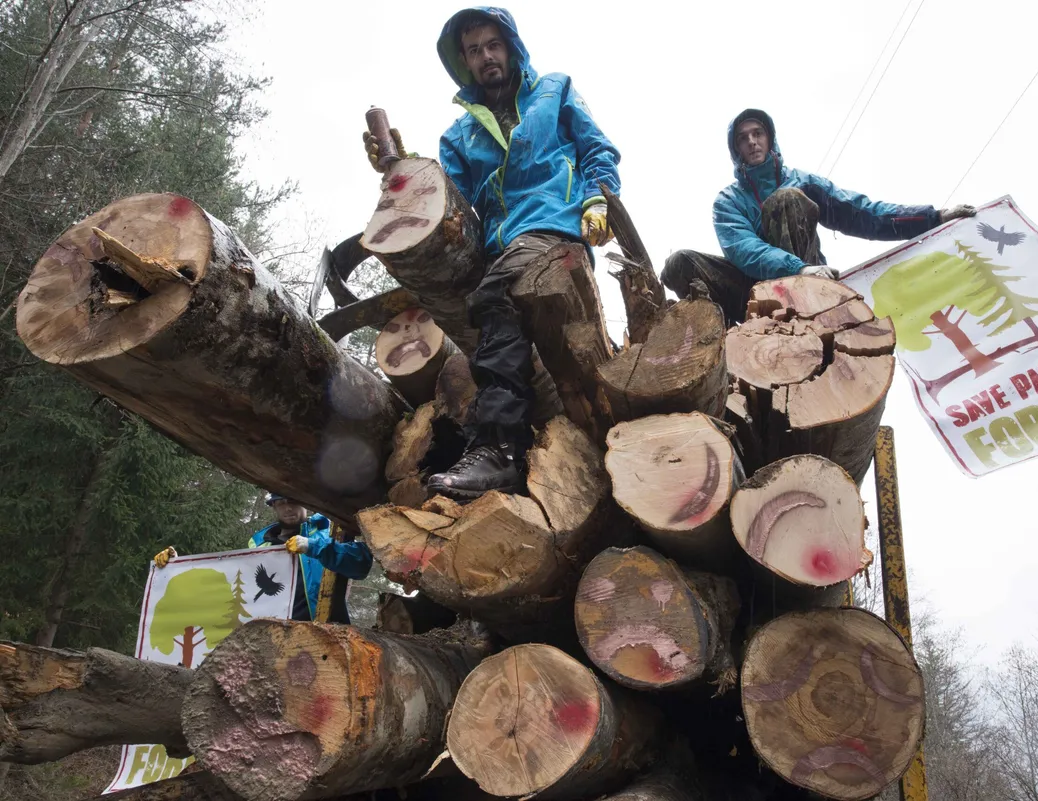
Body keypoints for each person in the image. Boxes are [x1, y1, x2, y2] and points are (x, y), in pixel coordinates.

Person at [363, 7, 620, 500]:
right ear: (464, 61)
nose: (486, 57)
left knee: (495, 295)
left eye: (493, 45)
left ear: (512, 46)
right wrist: (401, 168)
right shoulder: (458, 136)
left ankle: (499, 451)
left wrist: (597, 198)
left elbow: (597, 149)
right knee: (494, 298)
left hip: (556, 225)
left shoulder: (556, 89)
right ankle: (529, 448)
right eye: (474, 50)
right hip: (503, 246)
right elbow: (450, 207)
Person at [663, 108, 976, 326]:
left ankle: (800, 309)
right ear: (736, 149)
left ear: (770, 138)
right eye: (743, 138)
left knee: (785, 199)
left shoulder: (802, 182)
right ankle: (727, 336)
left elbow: (861, 211)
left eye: (758, 133)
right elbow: (743, 250)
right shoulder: (728, 200)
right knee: (680, 263)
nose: (752, 142)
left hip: (807, 281)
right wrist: (795, 267)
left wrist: (932, 217)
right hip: (757, 287)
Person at [153, 493, 372, 622]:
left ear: (305, 502)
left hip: (325, 634)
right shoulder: (259, 546)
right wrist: (175, 567)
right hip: (273, 638)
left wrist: (313, 547)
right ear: (273, 506)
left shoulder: (327, 533)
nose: (287, 508)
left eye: (293, 501)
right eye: (280, 502)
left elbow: (361, 564)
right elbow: (228, 586)